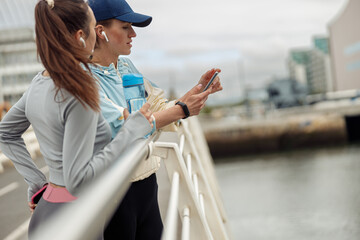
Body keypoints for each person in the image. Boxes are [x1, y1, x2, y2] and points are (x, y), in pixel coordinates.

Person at [0, 0, 154, 239]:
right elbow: (77, 180)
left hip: (47, 211)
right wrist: (131, 131)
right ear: (81, 36)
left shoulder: (39, 82)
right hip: (75, 217)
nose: (97, 33)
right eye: (94, 28)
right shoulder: (80, 92)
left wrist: (38, 183)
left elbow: (5, 133)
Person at [88, 0, 223, 239]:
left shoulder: (126, 66)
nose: (134, 33)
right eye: (126, 27)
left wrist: (196, 92)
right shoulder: (84, 78)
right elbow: (123, 126)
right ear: (100, 31)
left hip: (146, 179)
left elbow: (157, 106)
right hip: (113, 190)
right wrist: (183, 110)